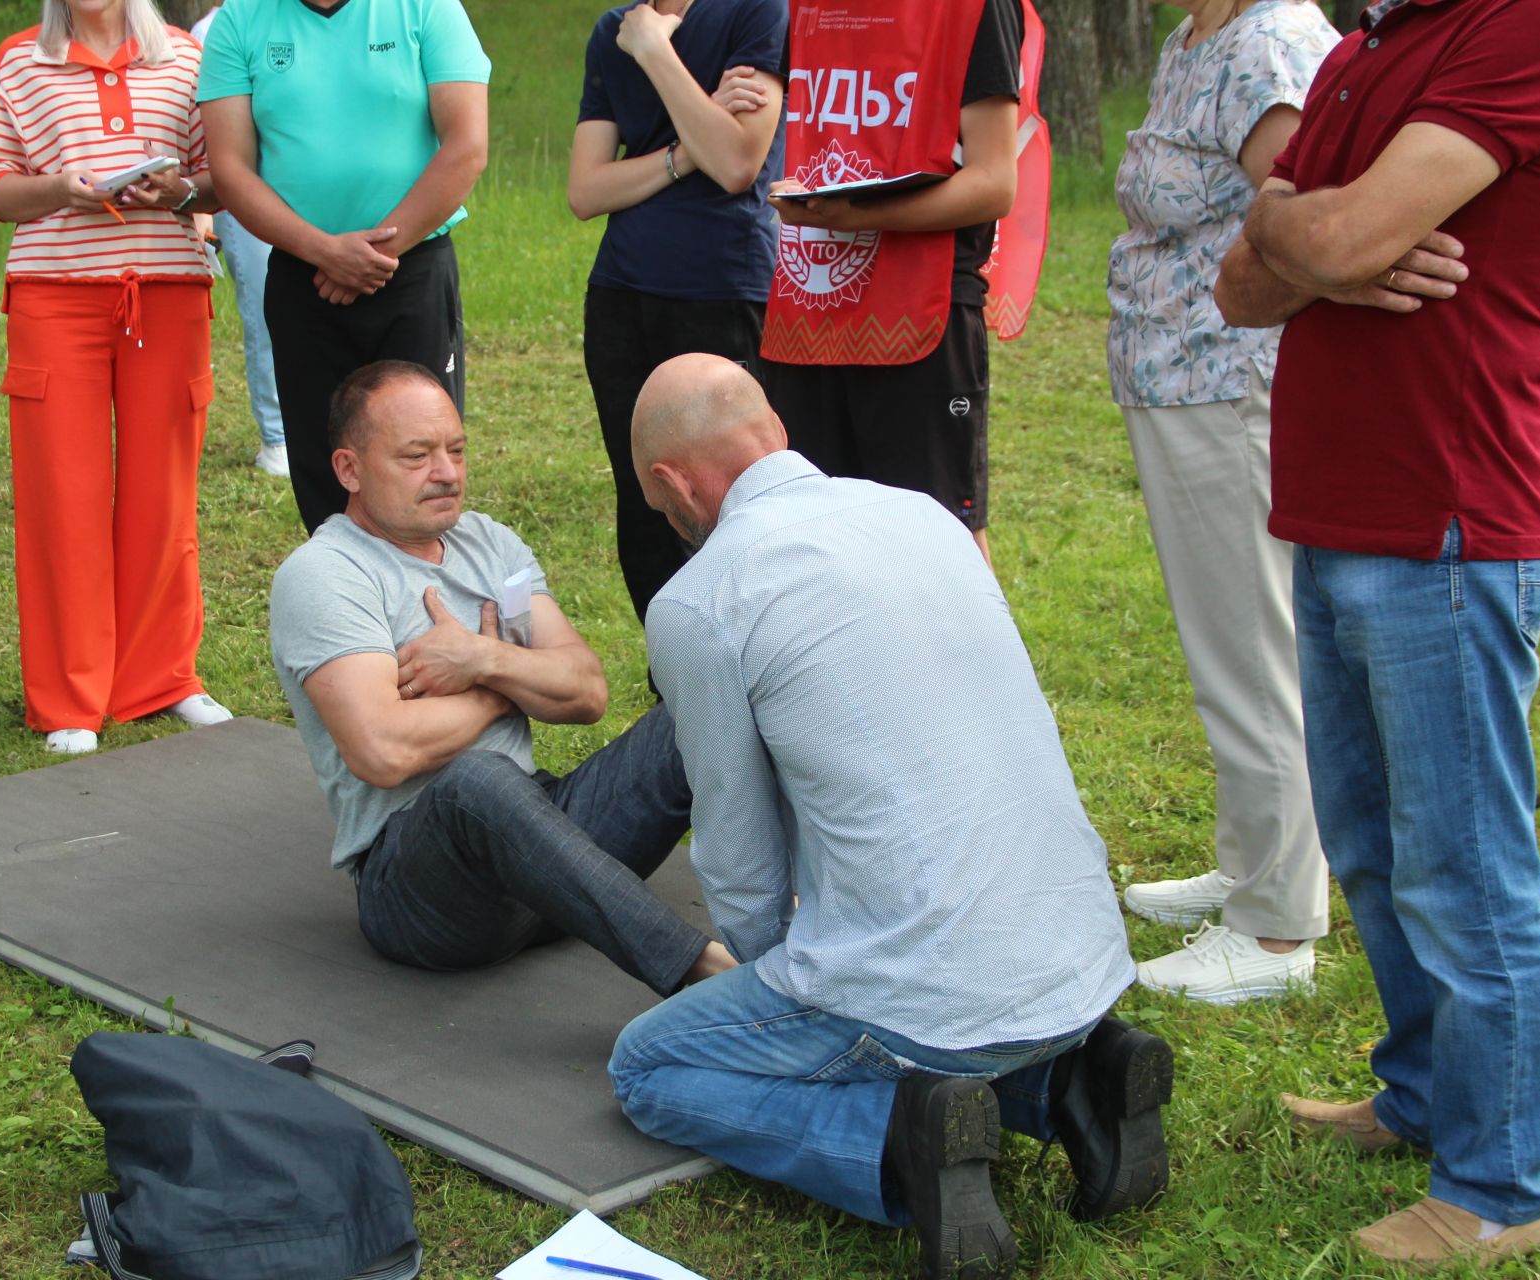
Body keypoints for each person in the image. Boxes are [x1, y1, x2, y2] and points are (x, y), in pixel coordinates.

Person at [611, 355, 1170, 1280]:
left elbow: (742, 866)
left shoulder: (702, 602)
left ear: (671, 484)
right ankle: (1071, 1081)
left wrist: (778, 980)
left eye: (658, 501)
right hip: (1081, 952)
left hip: (926, 1001)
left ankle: (899, 1143)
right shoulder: (925, 515)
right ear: (775, 432)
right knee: (920, 976)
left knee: (647, 1068)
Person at [1214, 0, 1540, 1265]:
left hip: (1455, 515)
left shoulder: (1518, 29)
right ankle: (1420, 1093)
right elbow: (1244, 288)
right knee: (1369, 841)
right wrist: (1301, 240)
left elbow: (1337, 230)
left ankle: (1506, 1181)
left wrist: (1308, 227)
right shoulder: (1361, 50)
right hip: (1342, 509)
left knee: (1465, 870)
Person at [268, 361, 736, 996]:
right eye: (416, 456)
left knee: (702, 706)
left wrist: (483, 661)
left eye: (456, 450)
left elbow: (587, 690)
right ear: (349, 469)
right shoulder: (325, 575)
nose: (447, 473)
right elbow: (382, 749)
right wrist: (502, 692)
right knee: (476, 783)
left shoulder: (487, 541)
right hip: (423, 890)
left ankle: (808, 917)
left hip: (539, 844)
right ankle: (706, 973)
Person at [1105, 0, 1338, 1002]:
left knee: (1251, 651)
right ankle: (1252, 863)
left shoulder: (1267, 43)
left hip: (1229, 382)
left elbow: (1317, 216)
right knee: (1229, 644)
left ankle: (1277, 930)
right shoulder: (1198, 35)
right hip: (1180, 379)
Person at [0, 0, 234, 755]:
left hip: (169, 294)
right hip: (55, 299)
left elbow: (223, 179)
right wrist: (57, 190)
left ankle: (162, 678)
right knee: (64, 497)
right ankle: (70, 696)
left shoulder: (188, 57)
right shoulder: (21, 59)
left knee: (163, 493)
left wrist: (175, 191)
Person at [197, 0, 489, 533]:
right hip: (303, 276)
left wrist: (373, 255)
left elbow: (466, 146)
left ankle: (427, 605)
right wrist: (324, 251)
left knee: (421, 459)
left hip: (412, 271)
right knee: (322, 465)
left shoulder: (426, 8)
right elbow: (232, 169)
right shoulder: (240, 19)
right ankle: (342, 603)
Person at [760, 0, 1021, 567]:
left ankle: (963, 660)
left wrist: (863, 215)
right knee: (810, 539)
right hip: (806, 313)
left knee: (933, 544)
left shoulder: (974, 8)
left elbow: (995, 181)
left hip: (918, 319)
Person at [567, 0, 785, 624]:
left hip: (721, 289)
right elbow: (586, 191)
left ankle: (751, 666)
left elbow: (738, 163)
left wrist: (656, 50)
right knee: (647, 499)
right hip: (621, 296)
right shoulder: (613, 31)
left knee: (732, 500)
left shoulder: (756, 12)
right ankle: (674, 678)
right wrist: (685, 152)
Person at [187, 0, 288, 480]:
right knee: (265, 306)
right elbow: (199, 140)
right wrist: (202, 218)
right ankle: (278, 436)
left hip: (309, 190)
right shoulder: (212, 32)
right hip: (243, 192)